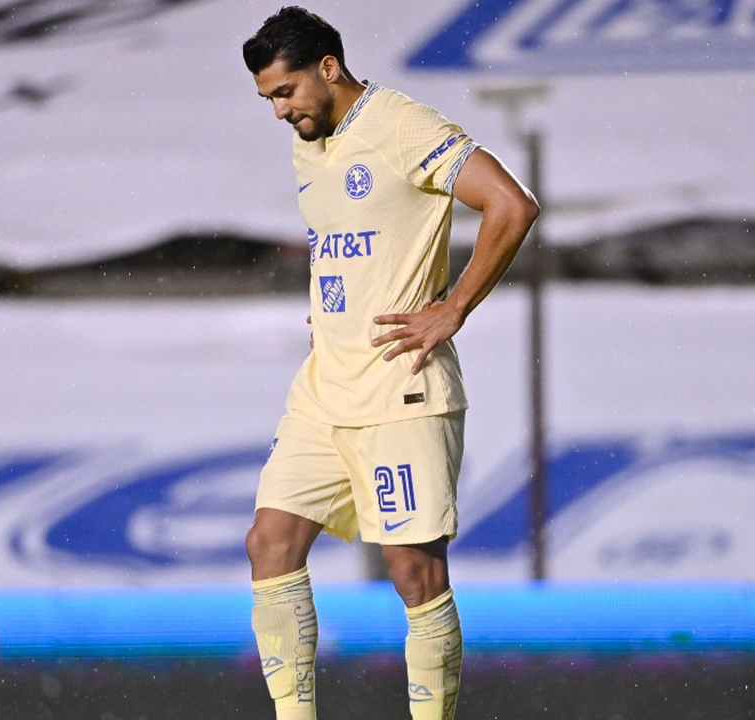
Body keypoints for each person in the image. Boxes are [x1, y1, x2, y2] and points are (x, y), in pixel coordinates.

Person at [241, 7, 540, 720]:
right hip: (324, 388)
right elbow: (350, 239)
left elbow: (511, 205)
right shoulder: (309, 141)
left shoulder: (402, 125)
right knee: (269, 542)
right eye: (267, 101)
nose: (280, 112)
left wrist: (453, 308)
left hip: (402, 389)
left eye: (285, 94)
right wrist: (331, 303)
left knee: (414, 571)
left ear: (328, 69)